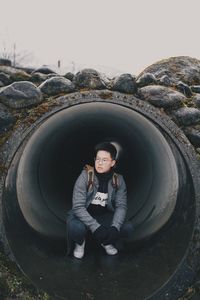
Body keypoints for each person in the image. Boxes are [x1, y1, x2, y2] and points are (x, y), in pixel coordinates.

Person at [67, 142, 131, 259]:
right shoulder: (85, 176)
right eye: (98, 159)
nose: (100, 163)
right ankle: (80, 243)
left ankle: (106, 241)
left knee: (126, 227)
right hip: (83, 216)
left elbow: (121, 206)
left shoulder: (119, 180)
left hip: (104, 216)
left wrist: (114, 228)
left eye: (104, 160)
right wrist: (96, 227)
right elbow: (78, 207)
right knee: (75, 228)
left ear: (113, 163)